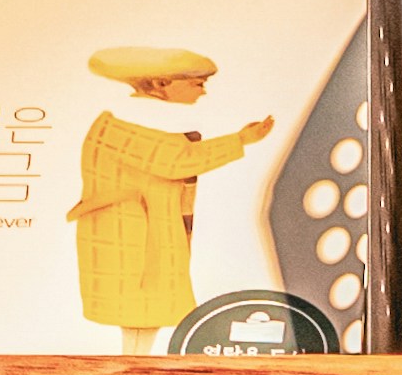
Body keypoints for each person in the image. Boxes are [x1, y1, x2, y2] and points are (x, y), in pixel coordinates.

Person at [77, 46, 276, 346]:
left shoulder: (141, 119)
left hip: (147, 227)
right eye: (197, 83)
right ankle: (135, 362)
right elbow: (176, 161)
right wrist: (241, 140)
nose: (203, 92)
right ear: (161, 84)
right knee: (139, 308)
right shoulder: (127, 123)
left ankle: (138, 358)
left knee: (146, 311)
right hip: (133, 231)